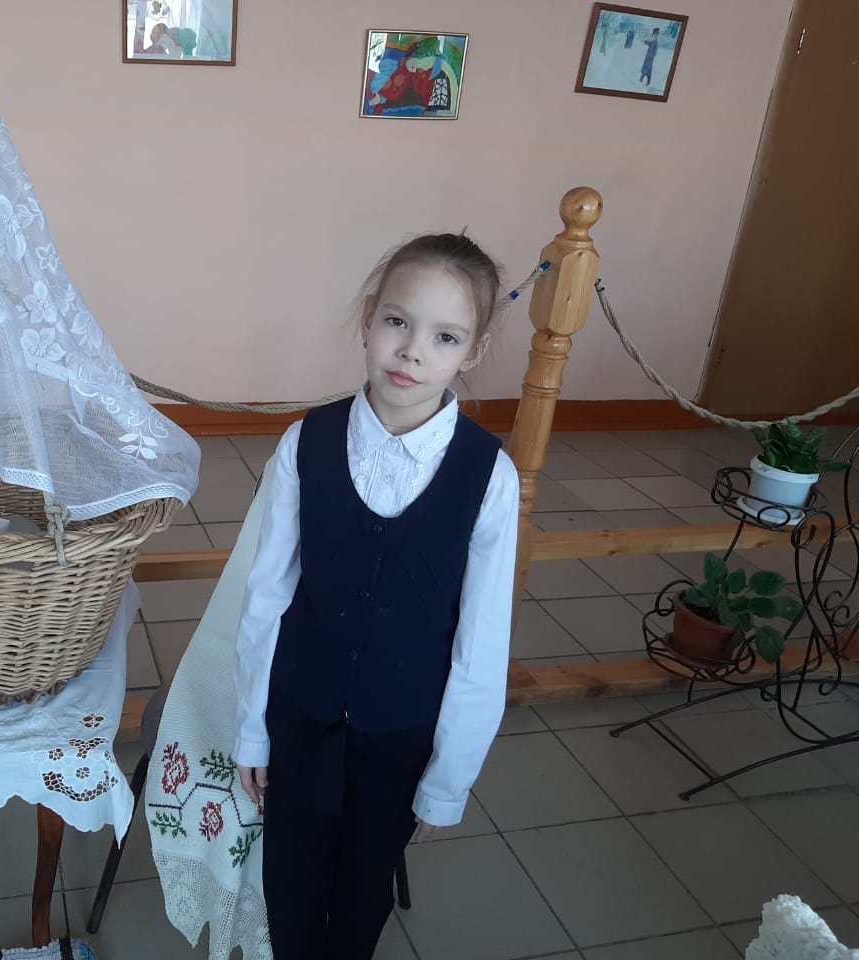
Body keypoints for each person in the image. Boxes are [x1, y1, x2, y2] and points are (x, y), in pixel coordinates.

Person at [232, 233, 518, 960]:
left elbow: (482, 642)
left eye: (445, 336)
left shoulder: (489, 474)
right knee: (290, 882)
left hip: (401, 733)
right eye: (397, 321)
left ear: (473, 351)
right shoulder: (306, 442)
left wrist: (448, 780)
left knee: (364, 892)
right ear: (368, 318)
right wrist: (254, 730)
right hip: (302, 715)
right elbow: (266, 597)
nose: (413, 352)